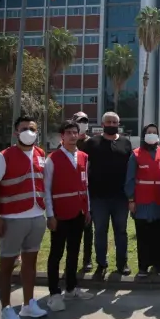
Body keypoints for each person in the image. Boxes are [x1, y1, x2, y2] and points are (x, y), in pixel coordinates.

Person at [0, 116, 48, 319]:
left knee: (30, 263)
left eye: (32, 128)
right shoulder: (4, 157)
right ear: (15, 132)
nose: (28, 132)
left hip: (36, 216)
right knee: (7, 265)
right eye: (24, 128)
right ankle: (6, 309)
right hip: (11, 218)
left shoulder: (40, 154)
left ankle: (29, 304)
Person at [44, 121, 94, 312]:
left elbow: (85, 185)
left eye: (75, 132)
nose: (73, 135)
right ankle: (54, 293)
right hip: (60, 213)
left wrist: (87, 209)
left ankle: (71, 288)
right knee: (56, 254)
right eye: (69, 133)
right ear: (61, 136)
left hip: (79, 213)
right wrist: (50, 215)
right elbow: (47, 189)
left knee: (74, 252)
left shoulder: (83, 156)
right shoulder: (53, 159)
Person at [83, 111, 132, 277]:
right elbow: (85, 169)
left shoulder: (126, 143)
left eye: (114, 122)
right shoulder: (92, 143)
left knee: (121, 232)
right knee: (100, 232)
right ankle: (101, 264)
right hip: (99, 198)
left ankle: (122, 264)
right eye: (108, 122)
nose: (111, 125)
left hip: (120, 198)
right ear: (102, 124)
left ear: (118, 124)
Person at [125, 123, 160, 277]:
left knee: (159, 234)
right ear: (144, 135)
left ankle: (159, 265)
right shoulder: (136, 154)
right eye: (149, 132)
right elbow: (130, 179)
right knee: (144, 235)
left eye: (154, 132)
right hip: (142, 201)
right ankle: (143, 266)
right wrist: (131, 199)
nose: (152, 134)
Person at [71, 111, 93, 272]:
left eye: (85, 121)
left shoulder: (91, 143)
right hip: (70, 191)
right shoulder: (66, 142)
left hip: (88, 191)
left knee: (87, 227)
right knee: (71, 228)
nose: (83, 124)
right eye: (80, 121)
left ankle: (87, 260)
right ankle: (72, 259)